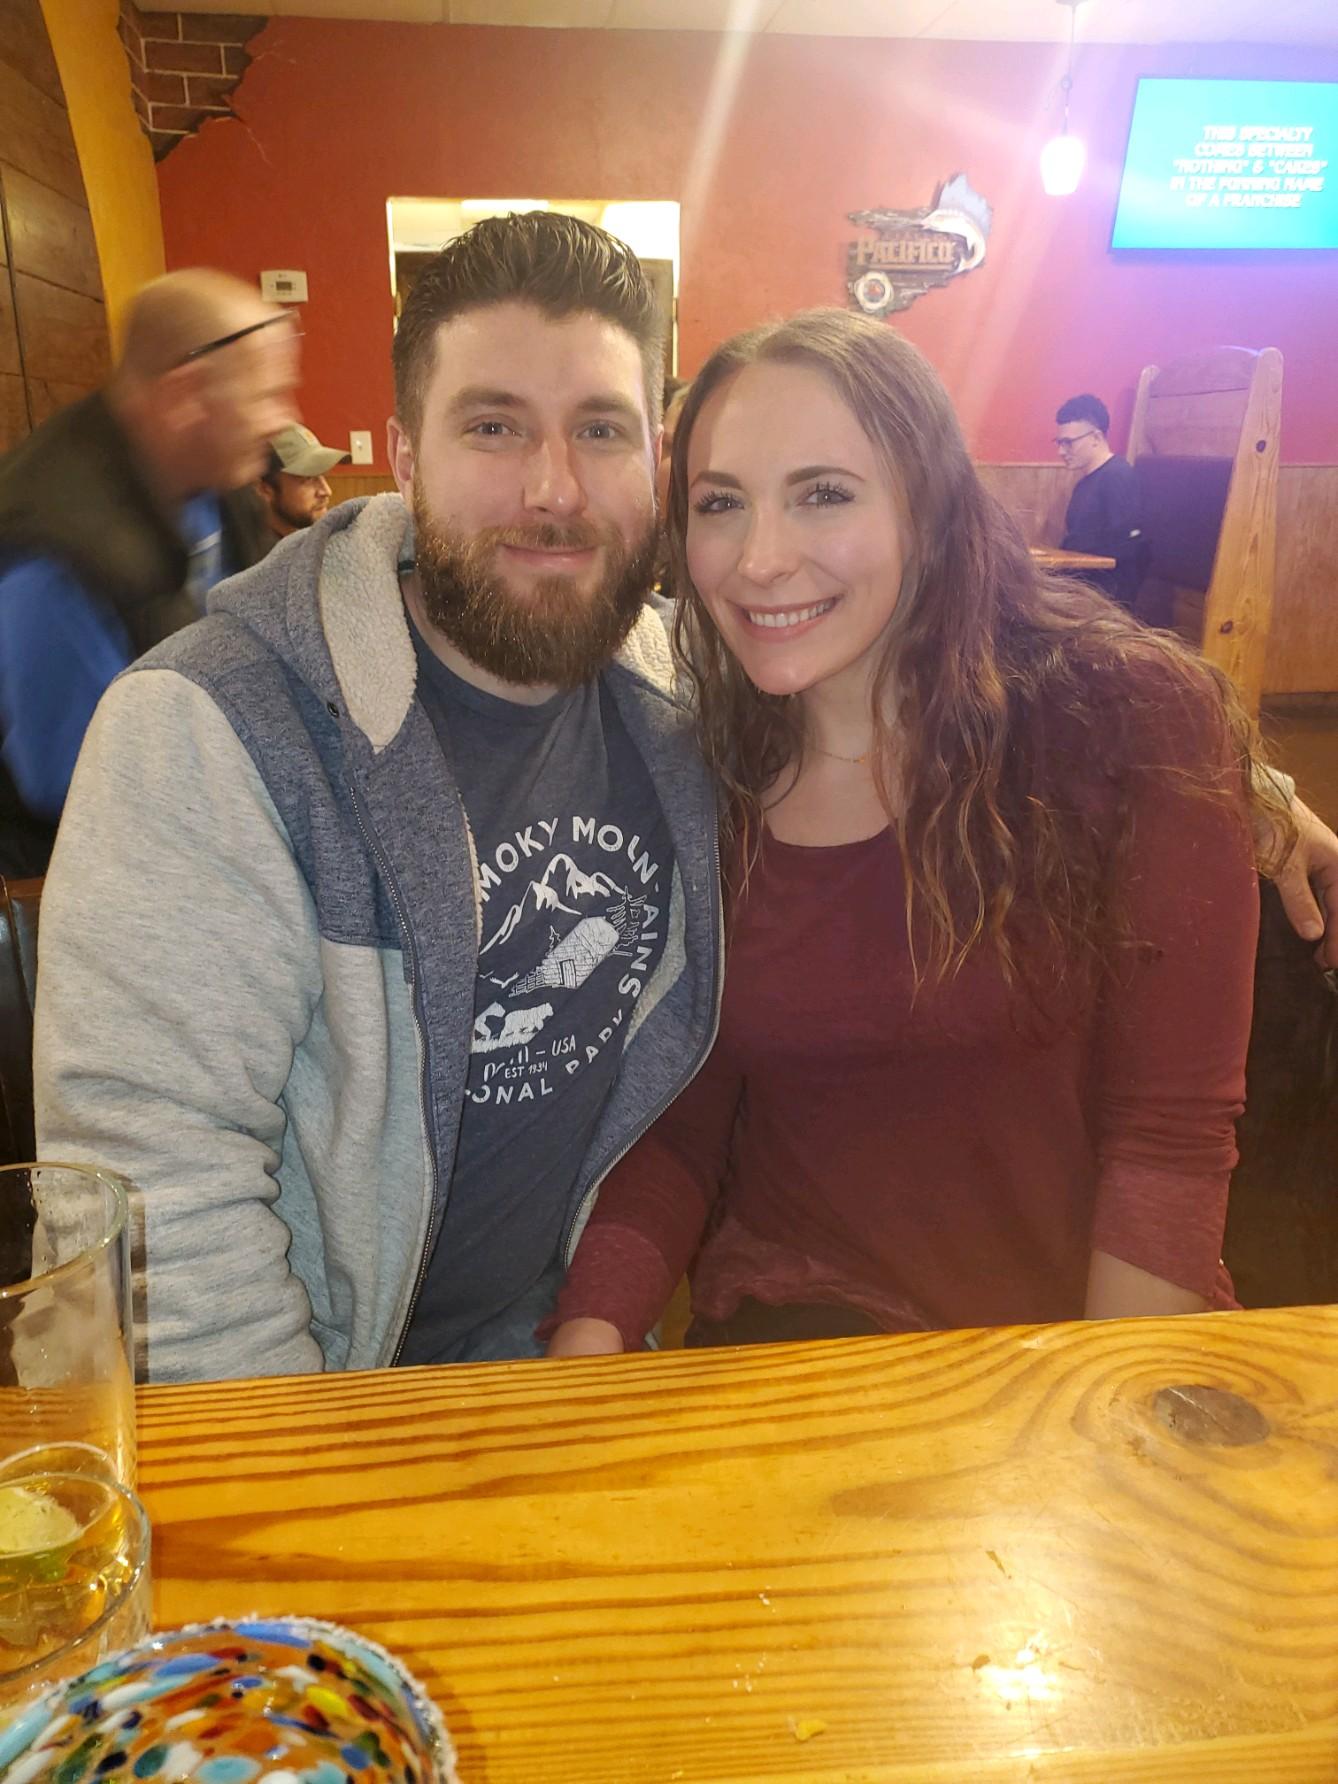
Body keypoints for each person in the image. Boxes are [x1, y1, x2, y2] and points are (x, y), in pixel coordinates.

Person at [32, 213, 721, 1382]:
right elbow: (156, 1207)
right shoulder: (209, 728)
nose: (554, 489)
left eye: (599, 428)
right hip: (308, 1402)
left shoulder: (681, 712)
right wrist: (323, 1503)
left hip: (579, 1363)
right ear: (404, 456)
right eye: (494, 424)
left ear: (652, 453)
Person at [544, 309, 1310, 1357]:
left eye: (824, 493)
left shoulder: (1132, 722)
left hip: (1067, 1348)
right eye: (721, 503)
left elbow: (1167, 1142)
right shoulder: (701, 755)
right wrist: (589, 1329)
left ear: (930, 506)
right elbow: (688, 1107)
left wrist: (1107, 1420)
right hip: (791, 1336)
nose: (761, 559)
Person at [0, 270, 299, 876]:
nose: (282, 421)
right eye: (264, 397)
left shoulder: (220, 477)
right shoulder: (53, 551)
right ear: (187, 395)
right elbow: (80, 784)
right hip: (77, 881)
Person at [1055, 393, 1144, 611]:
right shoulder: (1085, 483)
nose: (1061, 451)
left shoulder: (1118, 476)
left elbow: (1127, 546)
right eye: (1059, 443)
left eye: (1068, 443)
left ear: (1095, 438)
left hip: (1105, 598)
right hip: (1082, 587)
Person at [255, 421, 348, 545]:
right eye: (308, 478)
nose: (326, 491)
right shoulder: (251, 559)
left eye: (322, 475)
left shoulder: (327, 543)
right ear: (265, 490)